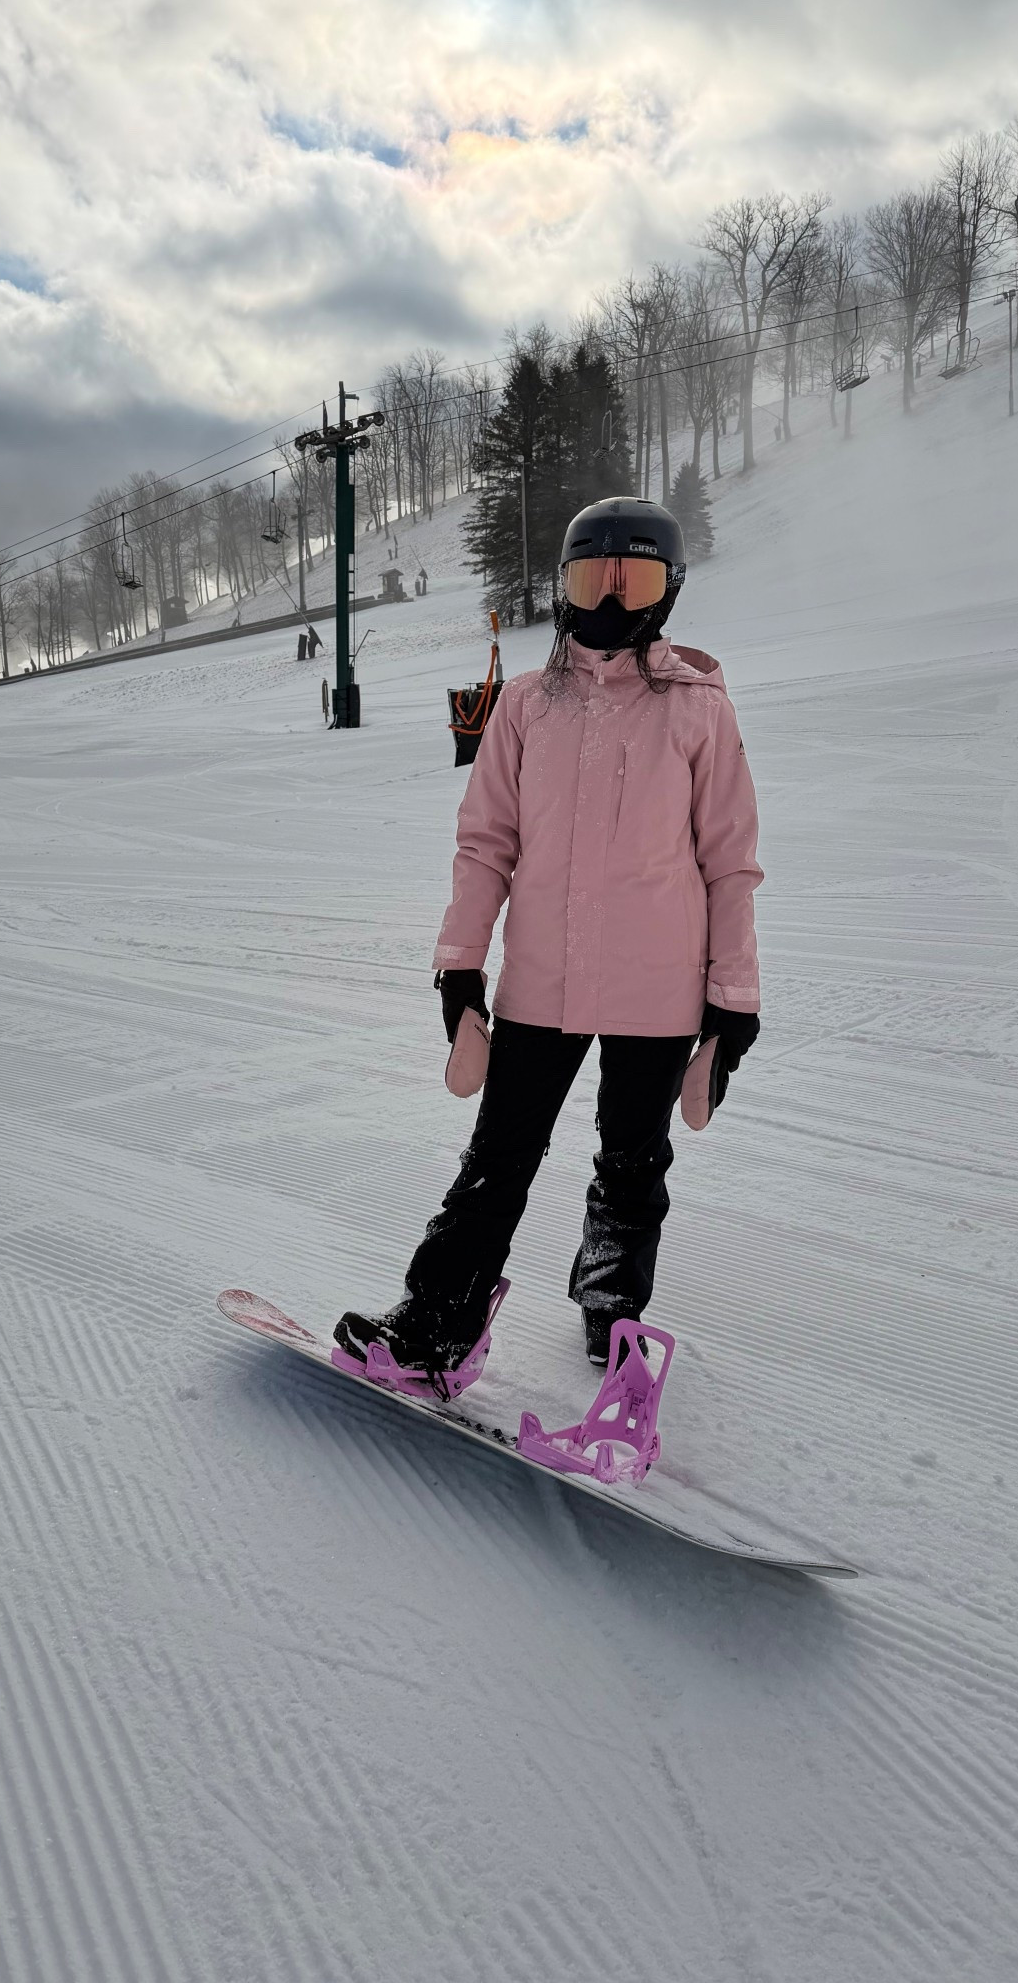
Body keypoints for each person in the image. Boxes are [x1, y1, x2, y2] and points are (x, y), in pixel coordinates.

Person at [334, 496, 763, 1392]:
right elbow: (485, 844)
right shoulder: (526, 706)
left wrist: (734, 999)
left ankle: (612, 1306)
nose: (609, 604)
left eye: (632, 579)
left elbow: (729, 862)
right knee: (496, 1159)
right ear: (561, 588)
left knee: (631, 1161)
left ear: (668, 592)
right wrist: (460, 966)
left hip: (659, 990)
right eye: (589, 579)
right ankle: (436, 1320)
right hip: (540, 982)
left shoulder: (698, 711)